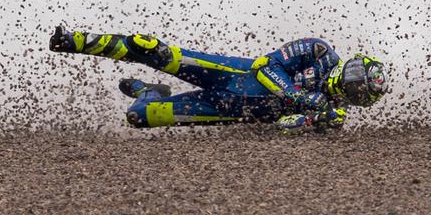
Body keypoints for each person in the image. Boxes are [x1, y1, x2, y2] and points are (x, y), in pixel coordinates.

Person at [48, 26, 389, 131]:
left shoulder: (334, 112)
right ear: (351, 64)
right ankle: (75, 41)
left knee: (138, 117)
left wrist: (309, 119)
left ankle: (148, 91)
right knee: (152, 50)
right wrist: (299, 97)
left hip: (228, 110)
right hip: (231, 74)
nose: (352, 87)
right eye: (356, 77)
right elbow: (265, 67)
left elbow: (285, 127)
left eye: (359, 92)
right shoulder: (318, 50)